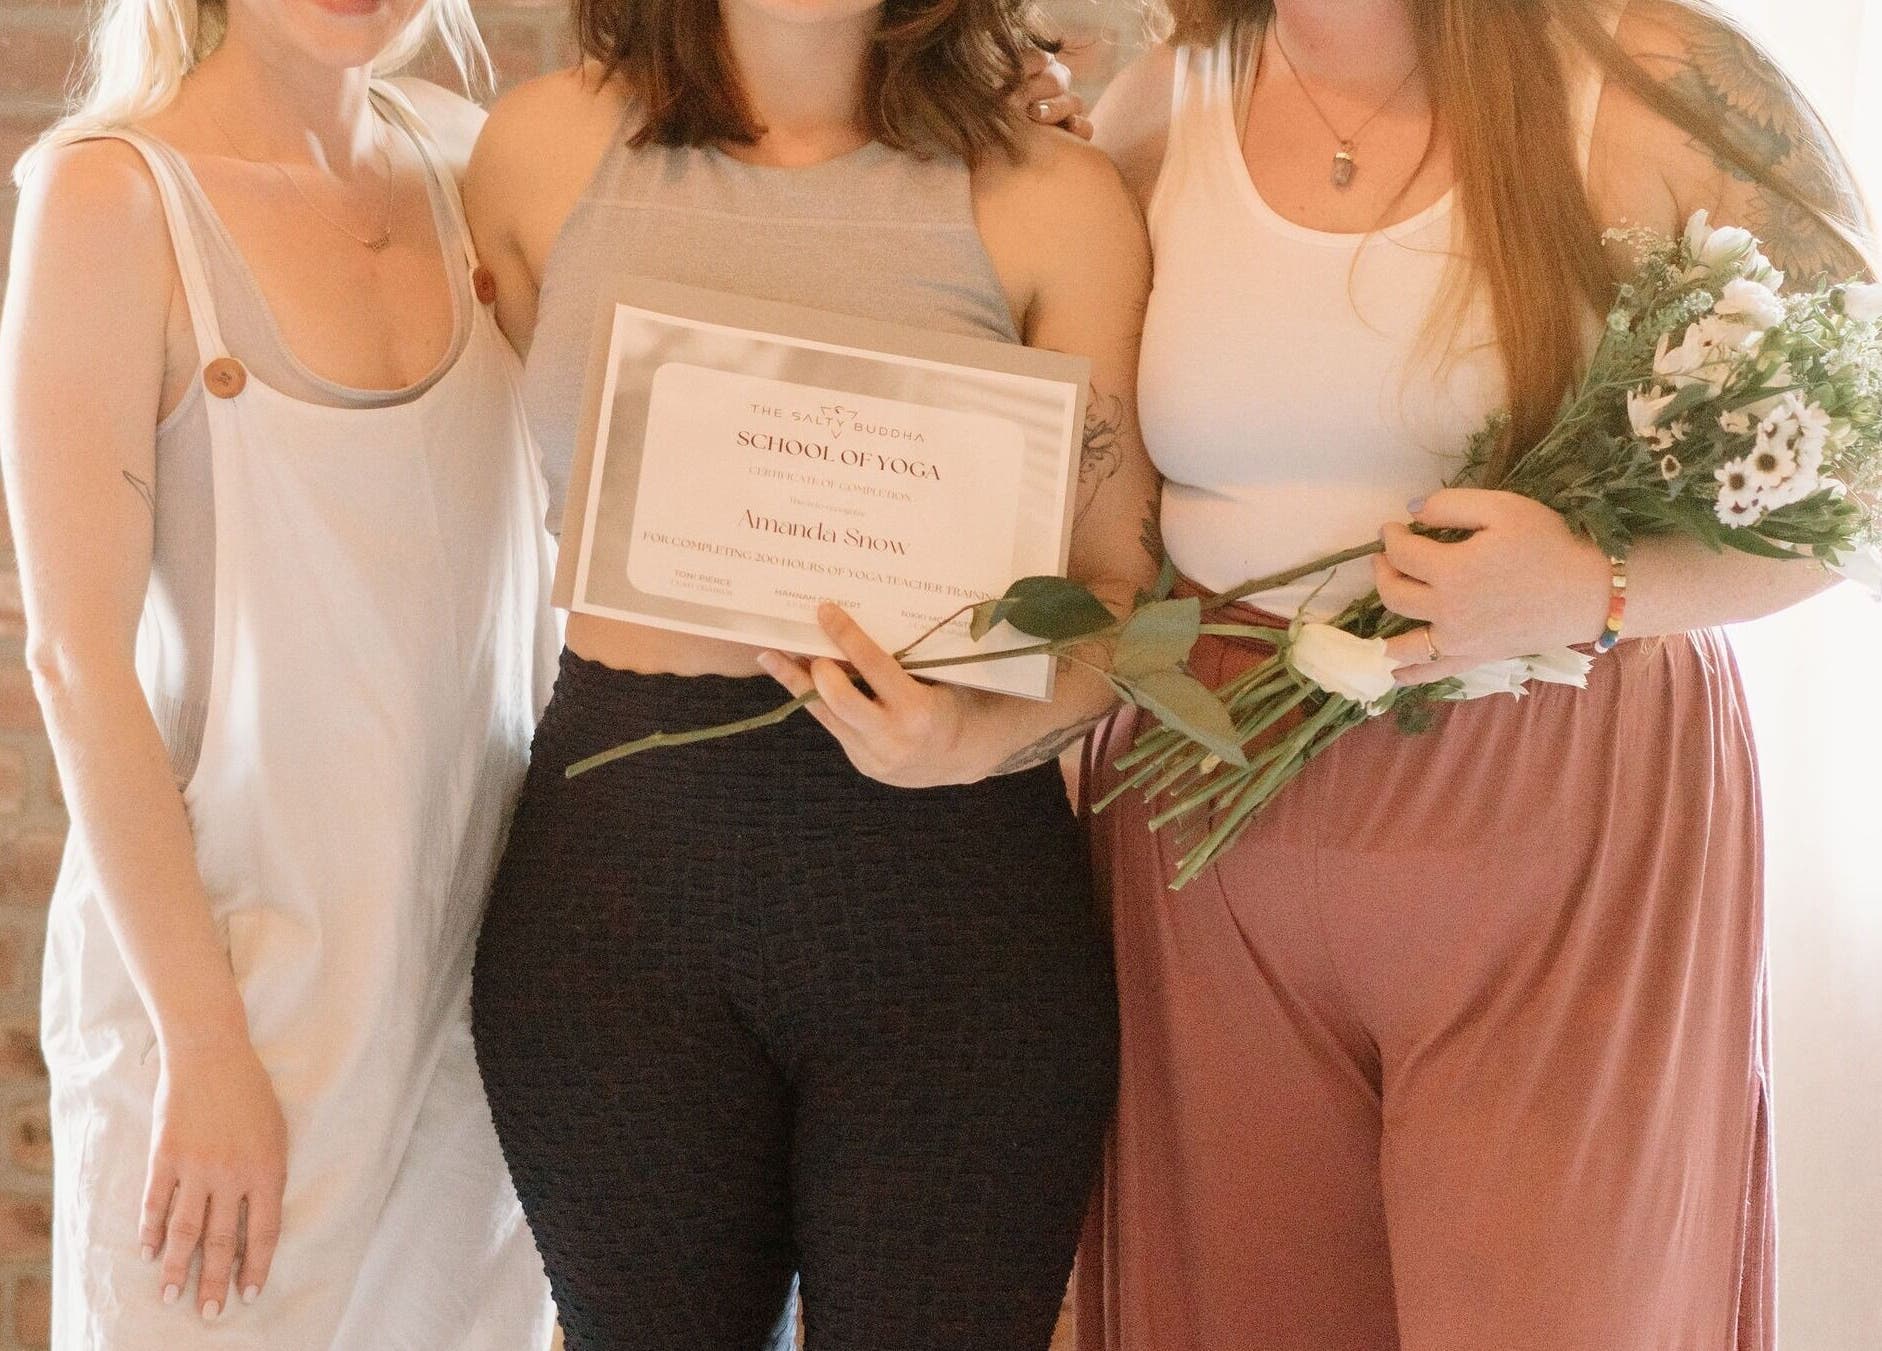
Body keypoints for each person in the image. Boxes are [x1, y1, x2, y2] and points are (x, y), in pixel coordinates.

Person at [1076, 2, 1872, 1348]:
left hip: (1562, 819)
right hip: (1210, 828)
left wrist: (1599, 588)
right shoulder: (1155, 98)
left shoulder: (1650, 77)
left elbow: (1860, 477)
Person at [460, 0, 1159, 1345]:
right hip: (616, 893)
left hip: (953, 905)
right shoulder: (537, 150)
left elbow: (1120, 598)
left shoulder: (1053, 193)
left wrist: (968, 737)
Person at [0, 0, 567, 1338]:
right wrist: (204, 1049)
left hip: (480, 975)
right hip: (235, 981)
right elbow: (76, 662)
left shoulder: (468, 163)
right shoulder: (110, 197)